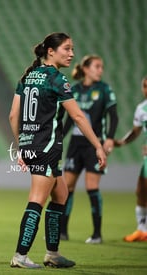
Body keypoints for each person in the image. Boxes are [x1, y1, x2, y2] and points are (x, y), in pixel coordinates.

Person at [8, 32, 107, 269]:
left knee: (61, 195)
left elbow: (13, 115)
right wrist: (98, 145)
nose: (72, 54)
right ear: (51, 51)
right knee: (37, 200)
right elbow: (77, 115)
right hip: (47, 147)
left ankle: (52, 253)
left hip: (33, 144)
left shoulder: (28, 76)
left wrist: (22, 146)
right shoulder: (57, 79)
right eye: (67, 49)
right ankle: (20, 256)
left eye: (72, 49)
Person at [60, 55, 118, 244]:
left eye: (101, 67)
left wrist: (109, 138)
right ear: (85, 69)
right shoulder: (74, 90)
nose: (100, 70)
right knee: (67, 188)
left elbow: (113, 116)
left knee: (92, 187)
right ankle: (62, 232)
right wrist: (58, 139)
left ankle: (97, 234)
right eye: (97, 66)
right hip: (75, 145)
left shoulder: (104, 89)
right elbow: (70, 120)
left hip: (94, 145)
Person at [114, 76, 147, 242]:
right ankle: (142, 230)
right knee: (141, 191)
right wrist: (121, 142)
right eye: (145, 86)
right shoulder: (142, 108)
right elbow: (136, 131)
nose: (146, 89)